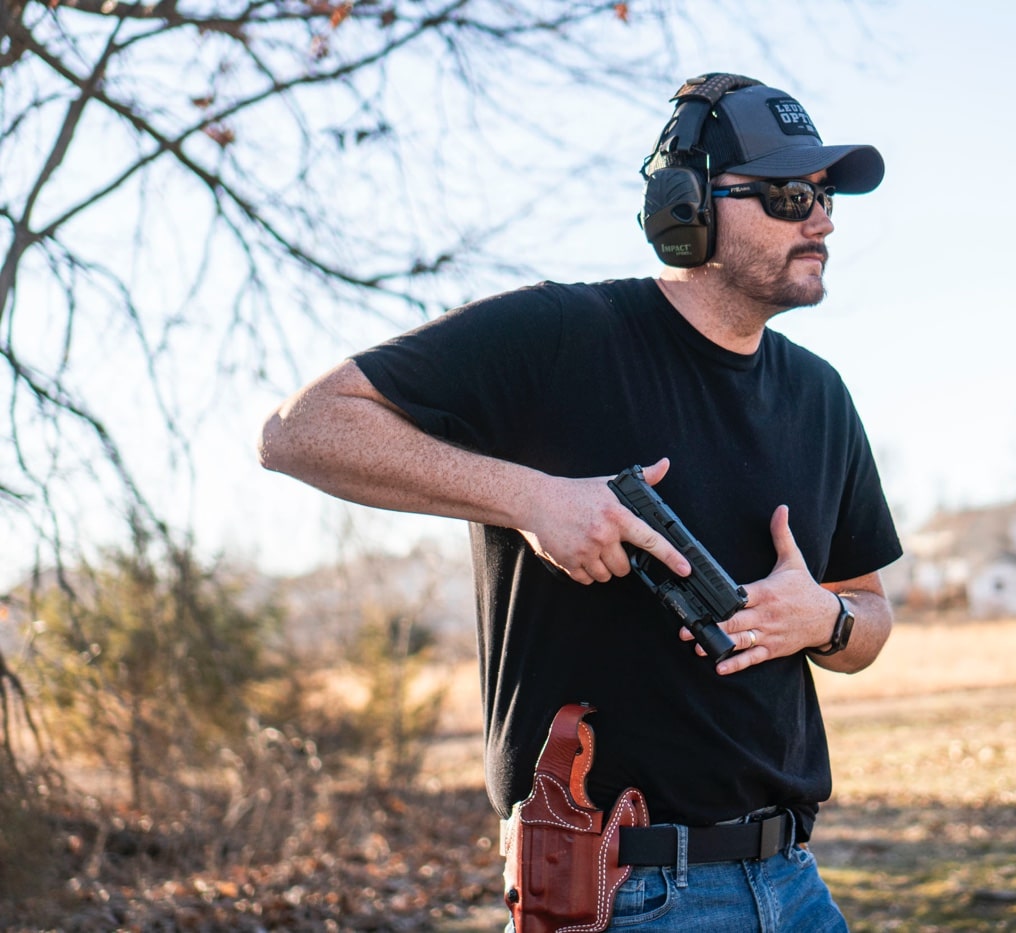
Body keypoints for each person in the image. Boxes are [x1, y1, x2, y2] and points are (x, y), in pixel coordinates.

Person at [258, 72, 903, 931]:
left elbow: (872, 618)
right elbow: (300, 430)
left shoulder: (822, 398)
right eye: (789, 195)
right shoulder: (562, 336)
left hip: (793, 884)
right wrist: (535, 501)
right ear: (689, 208)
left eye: (824, 196)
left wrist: (821, 618)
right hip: (619, 895)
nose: (820, 218)